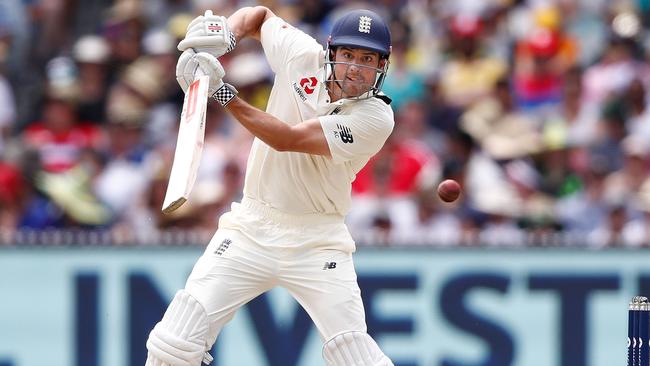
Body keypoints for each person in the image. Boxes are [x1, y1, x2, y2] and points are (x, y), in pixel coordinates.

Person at [145, 6, 395, 366]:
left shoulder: (375, 117)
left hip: (318, 241)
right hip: (252, 227)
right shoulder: (301, 55)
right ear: (331, 53)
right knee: (172, 344)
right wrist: (224, 38)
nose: (355, 67)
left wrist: (222, 93)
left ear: (381, 66)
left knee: (356, 356)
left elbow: (288, 138)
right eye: (348, 54)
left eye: (367, 58)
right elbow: (259, 17)